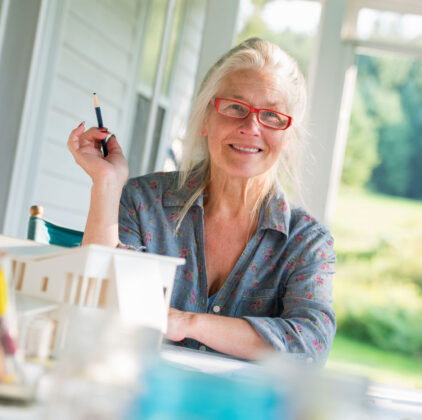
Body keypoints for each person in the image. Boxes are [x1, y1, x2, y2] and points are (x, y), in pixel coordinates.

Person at [67, 38, 335, 362]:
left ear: (287, 136)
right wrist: (106, 184)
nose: (251, 127)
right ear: (206, 118)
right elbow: (94, 308)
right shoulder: (143, 203)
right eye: (235, 107)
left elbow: (311, 346)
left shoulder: (306, 242)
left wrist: (187, 323)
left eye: (272, 116)